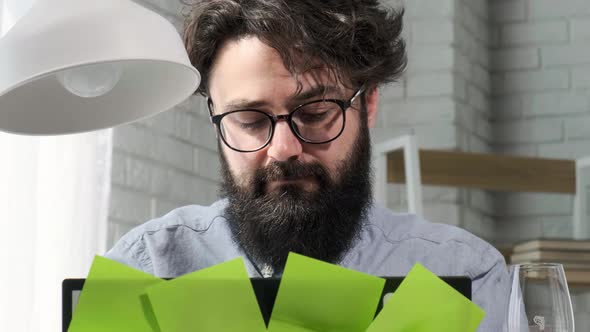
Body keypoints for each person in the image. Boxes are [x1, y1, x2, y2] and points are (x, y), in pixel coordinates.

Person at [105, 0, 509, 330]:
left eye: (315, 113)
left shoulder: (463, 272)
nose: (283, 148)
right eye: (249, 120)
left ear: (367, 103)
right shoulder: (147, 265)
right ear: (215, 117)